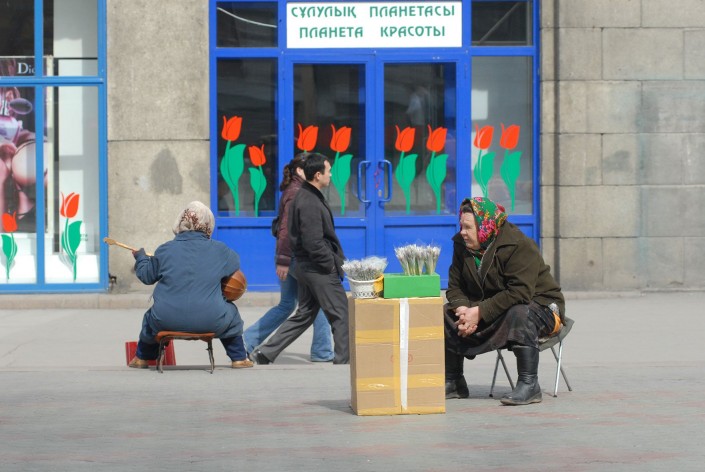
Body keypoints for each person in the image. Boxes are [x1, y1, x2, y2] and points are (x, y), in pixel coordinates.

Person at [444, 197, 565, 405]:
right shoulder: (461, 245)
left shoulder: (518, 244)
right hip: (497, 307)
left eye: (468, 227)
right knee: (447, 313)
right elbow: (455, 286)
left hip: (542, 308)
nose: (462, 232)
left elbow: (520, 293)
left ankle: (529, 384)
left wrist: (479, 313)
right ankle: (454, 381)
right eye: (461, 226)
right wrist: (464, 311)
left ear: (485, 226)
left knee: (520, 312)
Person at [249, 153, 349, 365]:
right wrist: (329, 264)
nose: (331, 175)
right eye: (329, 171)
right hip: (317, 268)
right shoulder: (308, 200)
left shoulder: (305, 194)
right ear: (318, 175)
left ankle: (265, 353)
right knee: (341, 313)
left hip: (306, 266)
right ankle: (344, 362)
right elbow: (313, 241)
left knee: (304, 314)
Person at [128, 200, 253, 369]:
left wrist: (142, 258)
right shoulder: (220, 250)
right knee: (232, 314)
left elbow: (146, 276)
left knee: (150, 318)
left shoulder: (165, 249)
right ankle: (239, 358)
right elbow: (235, 263)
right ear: (208, 224)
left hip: (166, 320)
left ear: (181, 222)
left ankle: (142, 358)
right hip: (211, 320)